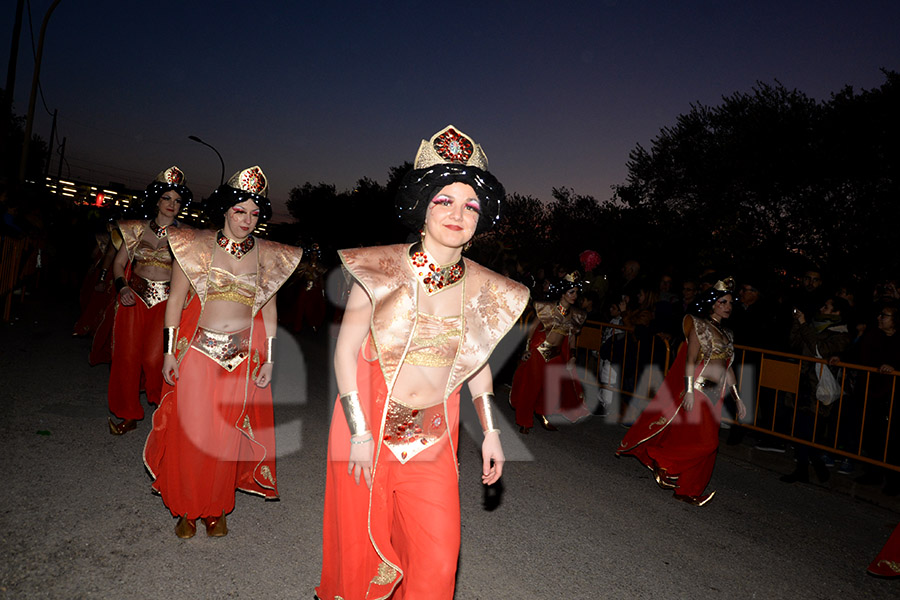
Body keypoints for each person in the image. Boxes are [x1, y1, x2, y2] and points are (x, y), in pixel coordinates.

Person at [315, 125, 530, 600]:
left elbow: (476, 363)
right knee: (363, 555)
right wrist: (359, 432)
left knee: (437, 558)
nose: (458, 214)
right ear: (421, 206)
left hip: (434, 436)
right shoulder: (380, 269)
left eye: (470, 205)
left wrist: (492, 430)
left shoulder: (483, 289)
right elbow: (345, 352)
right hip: (367, 425)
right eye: (444, 201)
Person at [143, 166, 302, 538]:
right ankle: (185, 507)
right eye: (239, 211)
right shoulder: (194, 247)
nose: (247, 220)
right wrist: (168, 353)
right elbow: (175, 302)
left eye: (254, 213)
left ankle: (215, 508)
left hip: (242, 358)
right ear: (226, 210)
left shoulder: (269, 257)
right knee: (192, 432)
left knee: (225, 438)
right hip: (199, 351)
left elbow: (271, 312)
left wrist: (271, 359)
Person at [616, 277, 747, 506]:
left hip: (717, 395)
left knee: (702, 443)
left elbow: (729, 369)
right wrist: (688, 391)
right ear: (712, 303)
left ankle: (688, 489)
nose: (728, 307)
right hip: (698, 390)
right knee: (709, 443)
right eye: (723, 302)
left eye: (729, 303)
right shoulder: (699, 327)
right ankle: (663, 459)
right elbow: (689, 360)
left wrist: (738, 399)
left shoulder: (728, 335)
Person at [106, 167, 192, 435]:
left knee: (156, 359)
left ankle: (162, 410)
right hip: (134, 301)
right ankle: (128, 414)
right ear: (157, 200)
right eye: (167, 198)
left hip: (166, 305)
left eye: (177, 201)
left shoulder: (186, 237)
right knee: (128, 358)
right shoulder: (134, 229)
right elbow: (119, 264)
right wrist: (122, 289)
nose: (172, 205)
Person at [510, 272, 592, 433]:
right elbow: (532, 329)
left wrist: (573, 356)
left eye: (576, 292)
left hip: (557, 354)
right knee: (531, 386)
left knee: (552, 388)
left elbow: (572, 338)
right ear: (563, 293)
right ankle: (524, 420)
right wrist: (526, 350)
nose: (575, 296)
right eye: (571, 292)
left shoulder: (575, 315)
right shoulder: (547, 308)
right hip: (539, 351)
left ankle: (544, 414)